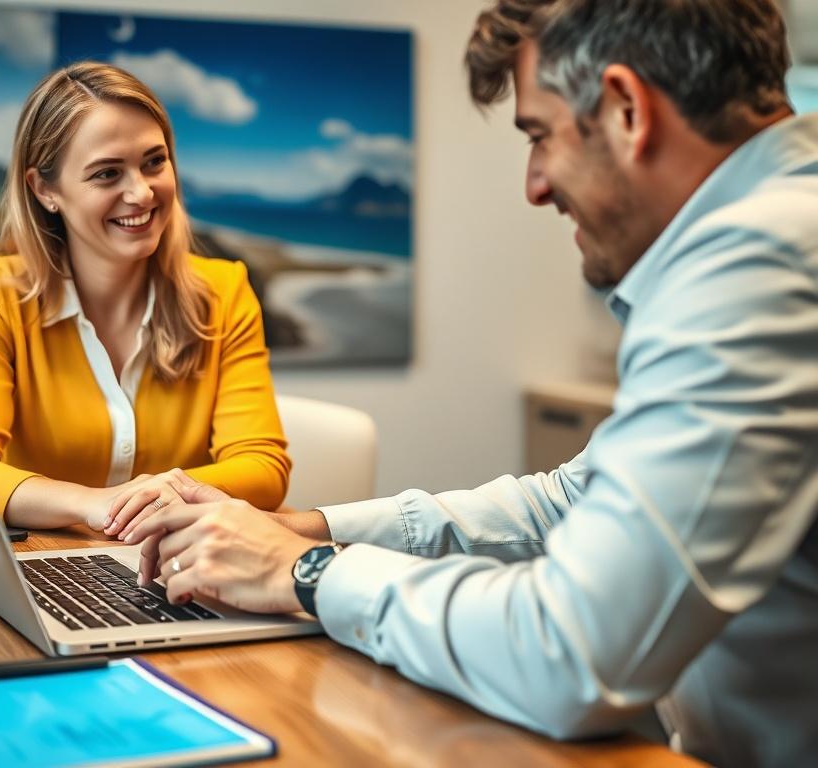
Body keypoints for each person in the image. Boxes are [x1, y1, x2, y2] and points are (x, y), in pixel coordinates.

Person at [121, 2, 818, 766]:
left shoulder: (760, 266)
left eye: (539, 136)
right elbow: (568, 500)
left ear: (626, 109)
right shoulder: (770, 234)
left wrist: (302, 574)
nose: (536, 185)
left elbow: (570, 653)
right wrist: (309, 532)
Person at [0, 62, 290, 538]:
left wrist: (148, 496)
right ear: (45, 190)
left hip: (180, 568)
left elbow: (263, 468)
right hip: (38, 564)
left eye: (154, 161)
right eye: (107, 173)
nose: (142, 192)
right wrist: (95, 505)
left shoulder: (224, 291)